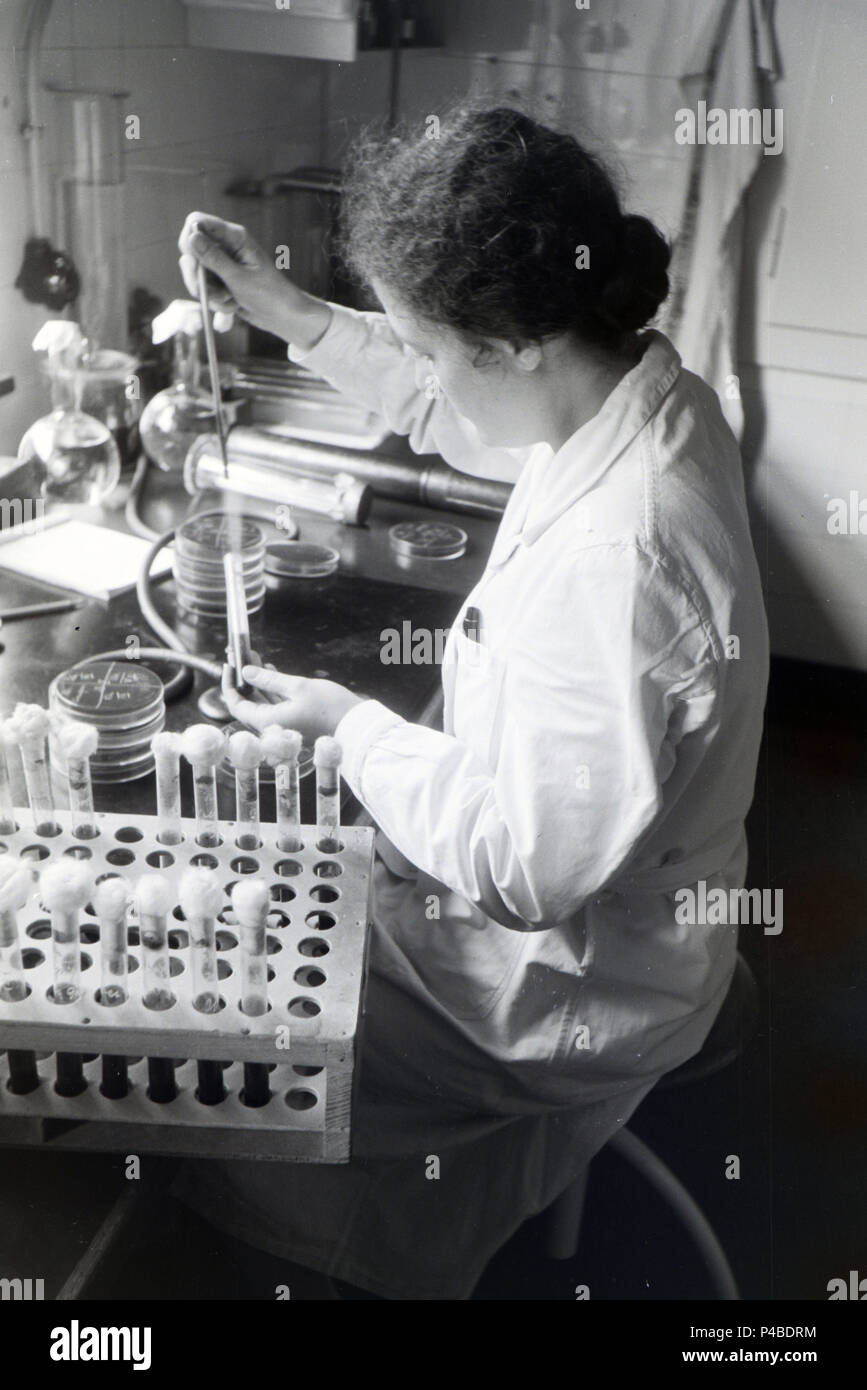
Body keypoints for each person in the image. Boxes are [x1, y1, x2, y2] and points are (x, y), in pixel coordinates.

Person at [173, 106, 769, 1300]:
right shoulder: (635, 388)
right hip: (627, 914)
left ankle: (253, 1259)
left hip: (568, 983)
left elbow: (521, 867)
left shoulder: (622, 560)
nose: (424, 371)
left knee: (221, 1035)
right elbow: (458, 405)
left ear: (513, 343)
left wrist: (354, 730)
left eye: (427, 342)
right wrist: (289, 312)